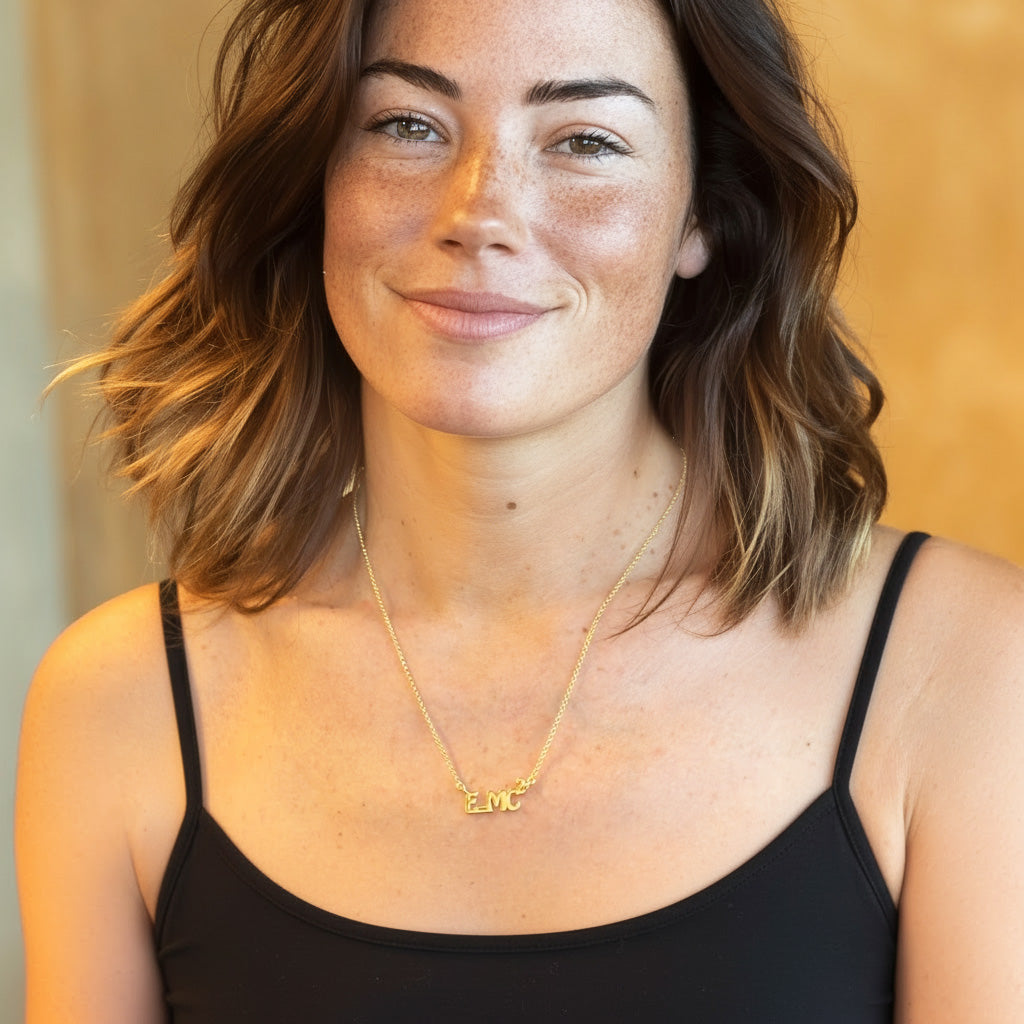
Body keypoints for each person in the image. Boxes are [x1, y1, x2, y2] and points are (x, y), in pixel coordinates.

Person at [15, 0, 1024, 1019]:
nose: (479, 212)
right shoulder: (122, 704)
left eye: (584, 141)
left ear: (702, 213)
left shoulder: (963, 671)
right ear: (317, 177)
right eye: (407, 125)